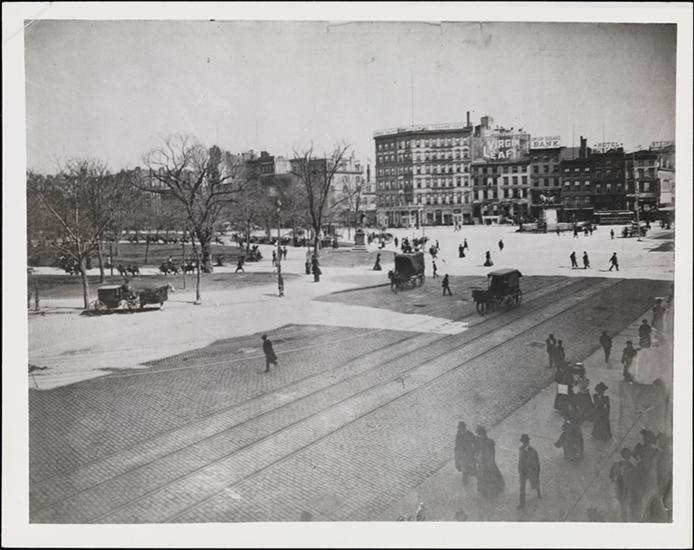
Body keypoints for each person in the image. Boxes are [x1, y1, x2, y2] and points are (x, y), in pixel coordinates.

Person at [474, 426, 505, 498]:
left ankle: (490, 489)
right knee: (486, 474)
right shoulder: (481, 441)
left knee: (487, 475)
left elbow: (491, 452)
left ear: (481, 434)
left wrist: (486, 459)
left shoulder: (488, 442)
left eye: (478, 434)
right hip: (484, 461)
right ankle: (488, 489)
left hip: (487, 461)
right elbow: (476, 450)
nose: (477, 435)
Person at [609, 448, 636, 521]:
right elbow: (634, 479)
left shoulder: (615, 464)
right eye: (628, 454)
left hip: (617, 490)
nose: (629, 456)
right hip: (626, 490)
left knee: (619, 508)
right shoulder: (631, 466)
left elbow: (611, 476)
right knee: (625, 508)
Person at [517, 434, 541, 508]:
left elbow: (537, 463)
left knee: (535, 483)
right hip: (522, 471)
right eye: (523, 442)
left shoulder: (533, 451)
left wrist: (537, 472)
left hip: (531, 471)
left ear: (528, 442)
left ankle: (538, 492)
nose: (524, 443)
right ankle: (522, 504)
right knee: (522, 487)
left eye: (526, 442)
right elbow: (520, 460)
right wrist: (519, 468)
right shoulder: (520, 449)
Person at [454, 422, 477, 486]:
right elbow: (457, 443)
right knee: (465, 466)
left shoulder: (469, 434)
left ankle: (472, 473)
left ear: (464, 428)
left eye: (461, 428)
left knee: (471, 463)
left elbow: (475, 441)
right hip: (462, 453)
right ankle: (465, 480)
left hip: (469, 452)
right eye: (459, 428)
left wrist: (474, 450)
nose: (460, 429)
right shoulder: (458, 434)